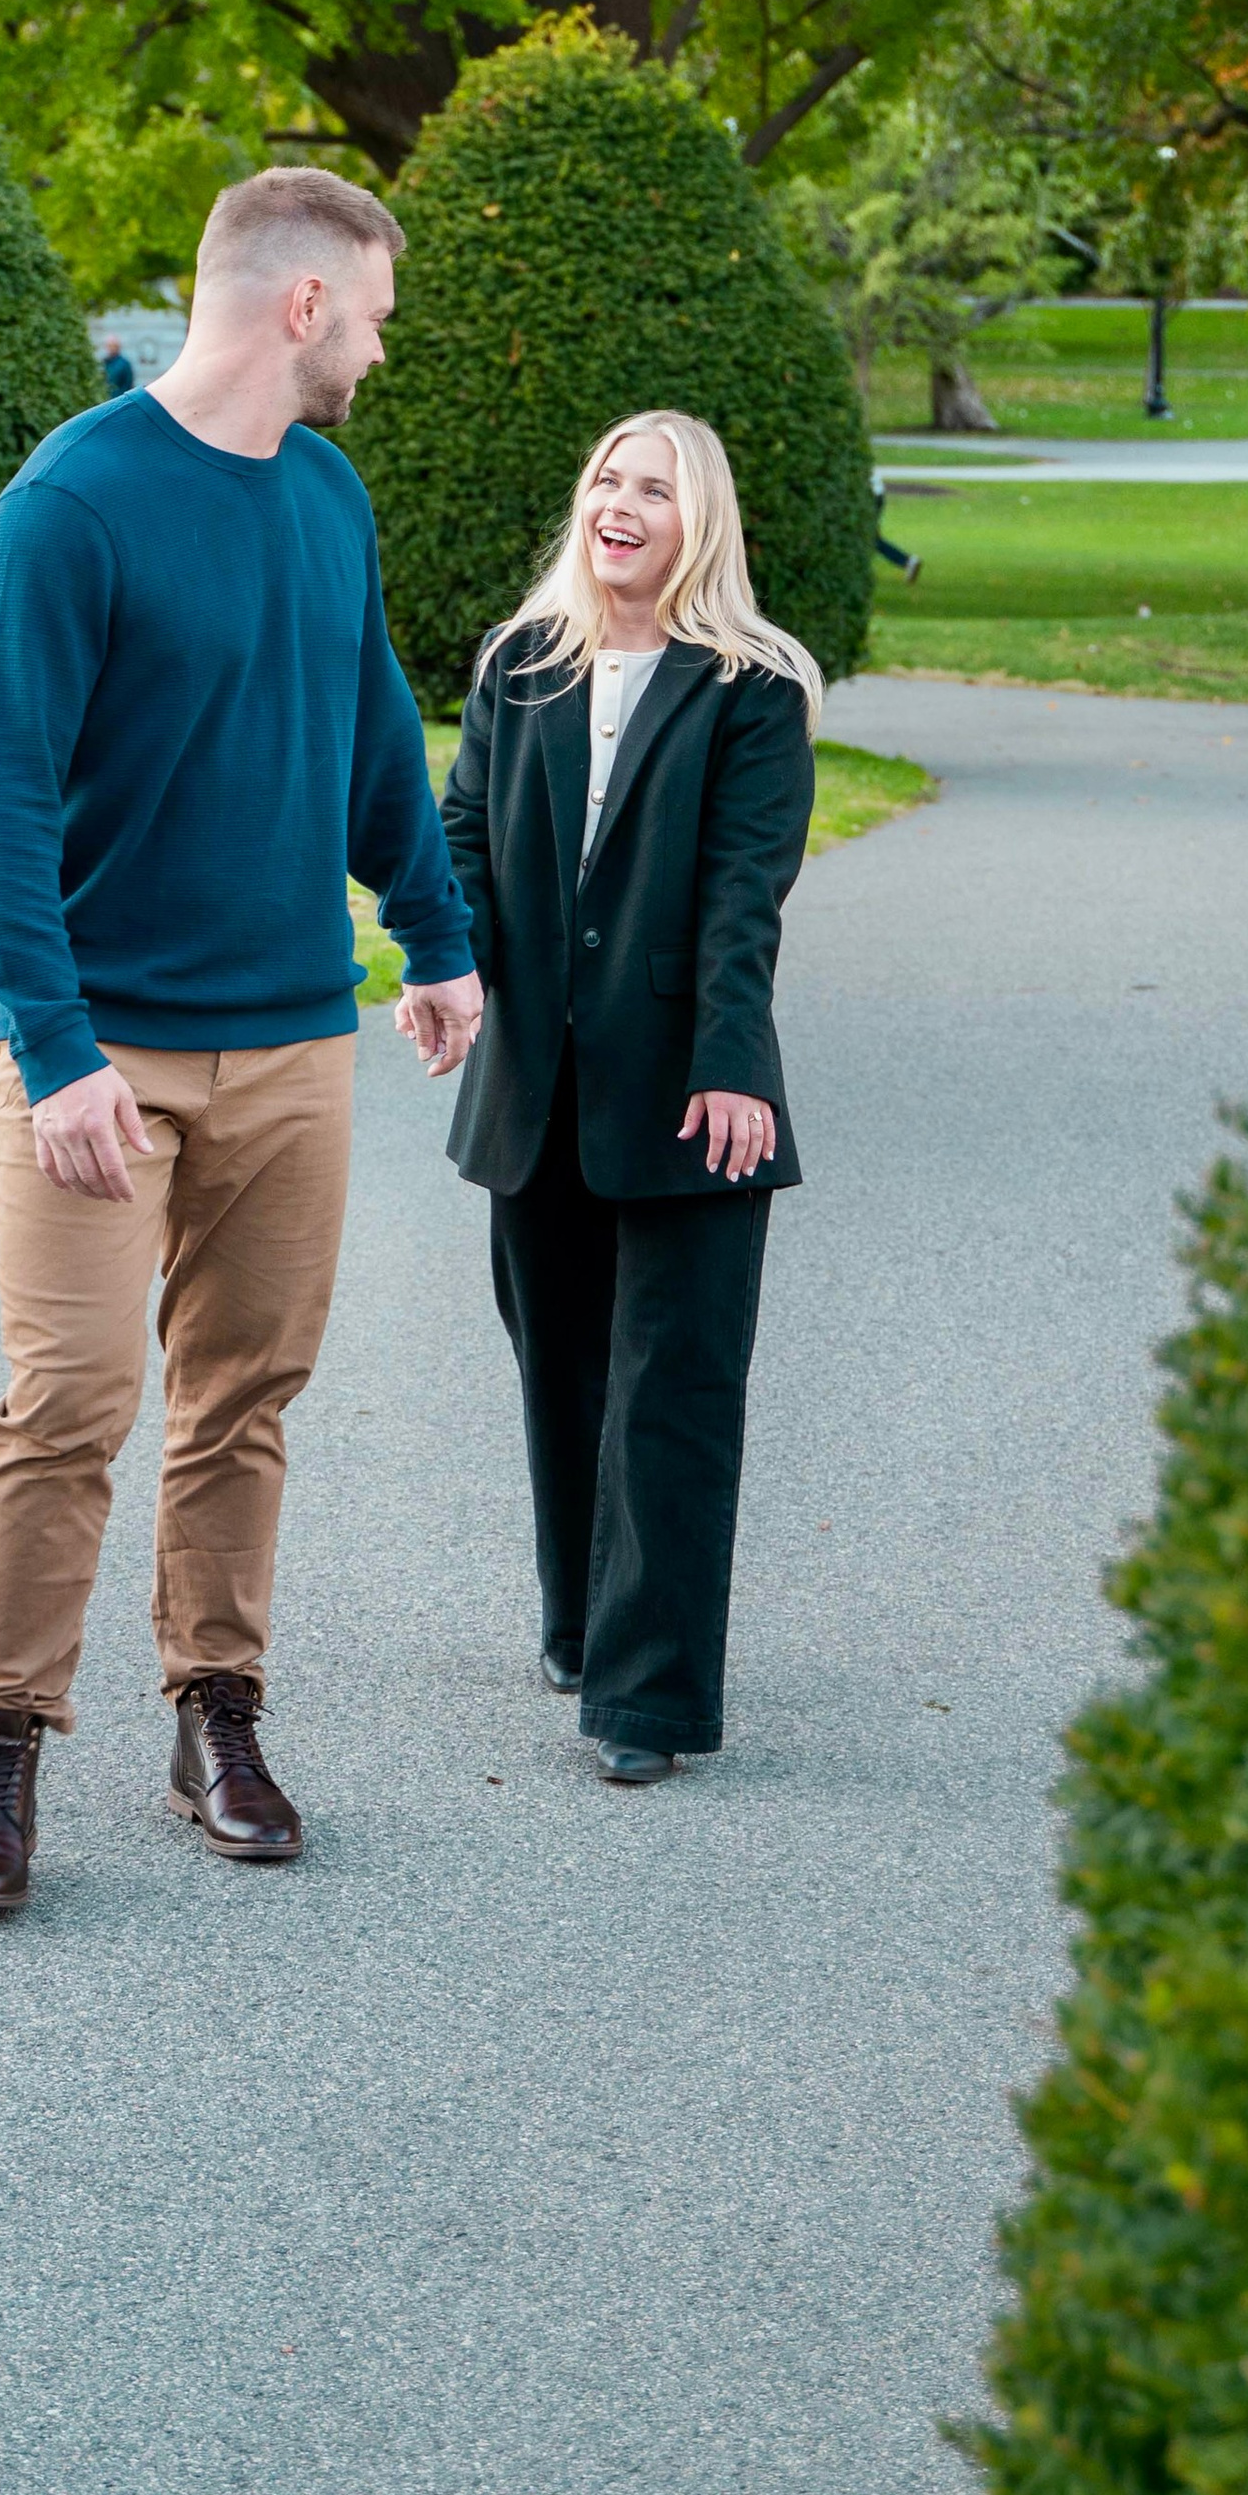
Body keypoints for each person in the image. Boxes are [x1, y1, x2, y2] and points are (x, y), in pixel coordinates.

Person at [0, 170, 484, 1915]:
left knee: (245, 1398)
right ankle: (1, 1747)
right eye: (378, 314)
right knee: (72, 1396)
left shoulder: (326, 497)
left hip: (288, 1046)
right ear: (302, 303)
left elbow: (374, 725)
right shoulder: (71, 505)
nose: (382, 351)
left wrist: (438, 931)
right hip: (100, 1057)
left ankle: (215, 1717)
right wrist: (58, 1042)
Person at [439, 412, 817, 1787]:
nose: (623, 501)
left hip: (688, 1086)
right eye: (607, 476)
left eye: (655, 487)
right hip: (534, 1087)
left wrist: (729, 1053)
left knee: (672, 1383)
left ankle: (648, 1697)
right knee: (563, 1369)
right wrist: (450, 971)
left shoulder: (752, 687)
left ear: (696, 519)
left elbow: (742, 894)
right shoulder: (520, 666)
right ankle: (583, 1621)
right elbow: (466, 832)